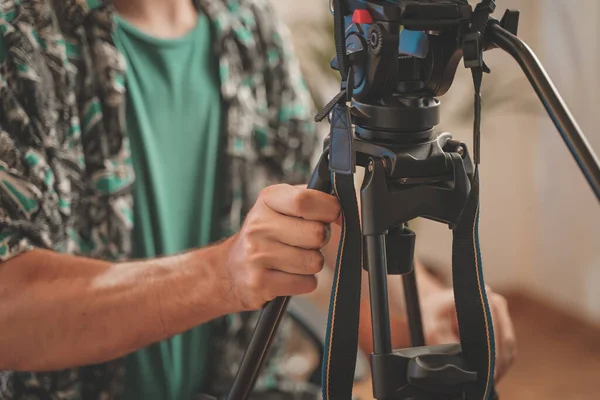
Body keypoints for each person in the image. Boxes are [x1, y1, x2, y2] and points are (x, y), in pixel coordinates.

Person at [0, 0, 516, 399]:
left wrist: (426, 305)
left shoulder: (250, 27)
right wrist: (220, 274)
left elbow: (326, 215)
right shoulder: (18, 40)